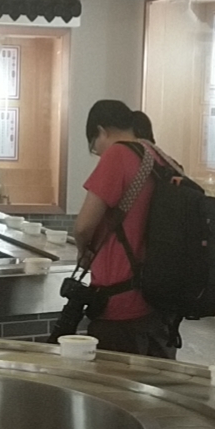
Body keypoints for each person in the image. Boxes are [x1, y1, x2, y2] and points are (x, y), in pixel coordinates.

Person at [70, 100, 178, 358]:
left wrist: (83, 252)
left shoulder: (117, 154)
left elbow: (84, 226)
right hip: (159, 299)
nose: (98, 153)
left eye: (94, 145)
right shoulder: (161, 158)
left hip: (120, 302)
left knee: (113, 380)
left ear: (101, 131)